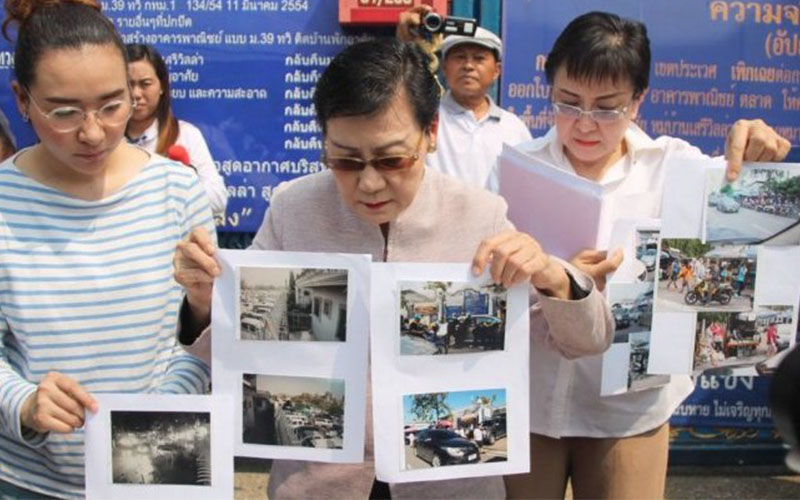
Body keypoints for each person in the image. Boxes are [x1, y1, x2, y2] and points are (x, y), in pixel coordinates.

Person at [174, 38, 614, 499]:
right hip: (321, 483)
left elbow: (588, 340)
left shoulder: (480, 215)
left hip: (448, 485)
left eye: (392, 160)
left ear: (431, 132)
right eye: (344, 160)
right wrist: (205, 303)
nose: (368, 182)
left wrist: (552, 276)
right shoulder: (293, 209)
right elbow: (232, 356)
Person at [505, 11, 790, 499]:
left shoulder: (676, 170)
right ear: (549, 88)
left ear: (638, 100)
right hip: (529, 401)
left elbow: (748, 216)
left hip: (629, 410)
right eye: (568, 103)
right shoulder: (515, 170)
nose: (586, 124)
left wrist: (761, 156)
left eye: (608, 107)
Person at [0, 0, 213, 497]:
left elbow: (203, 338)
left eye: (113, 105)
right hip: (31, 482)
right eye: (64, 112)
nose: (92, 132)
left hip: (163, 469)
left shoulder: (177, 189)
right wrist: (25, 403)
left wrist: (202, 308)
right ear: (23, 99)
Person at [397, 5, 532, 192]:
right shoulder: (425, 119)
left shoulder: (514, 128)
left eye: (479, 58)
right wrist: (404, 45)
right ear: (444, 68)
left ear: (497, 70)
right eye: (460, 57)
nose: (468, 65)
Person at [125, 43, 228, 215]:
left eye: (145, 84)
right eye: (129, 85)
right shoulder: (108, 139)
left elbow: (218, 200)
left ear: (162, 86)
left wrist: (179, 184)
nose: (136, 93)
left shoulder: (185, 134)